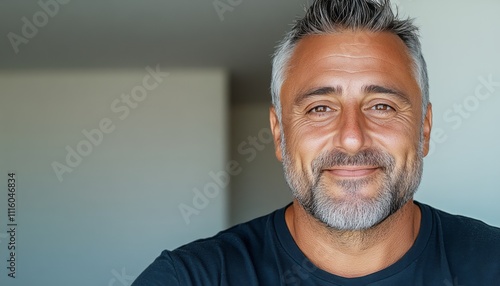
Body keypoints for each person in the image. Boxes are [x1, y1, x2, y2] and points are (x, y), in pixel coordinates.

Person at [133, 0, 500, 285]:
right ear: (279, 133)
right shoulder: (189, 278)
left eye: (382, 106)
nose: (353, 138)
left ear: (424, 129)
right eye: (320, 107)